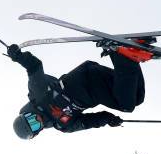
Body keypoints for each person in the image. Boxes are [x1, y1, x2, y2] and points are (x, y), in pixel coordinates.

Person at [8, 42, 152, 139]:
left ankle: (124, 55)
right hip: (95, 84)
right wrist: (109, 119)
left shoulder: (38, 96)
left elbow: (34, 67)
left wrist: (18, 56)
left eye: (30, 118)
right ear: (38, 131)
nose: (36, 120)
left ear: (26, 113)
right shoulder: (63, 125)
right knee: (137, 97)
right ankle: (127, 53)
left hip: (83, 81)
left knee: (127, 105)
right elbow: (88, 122)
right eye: (35, 125)